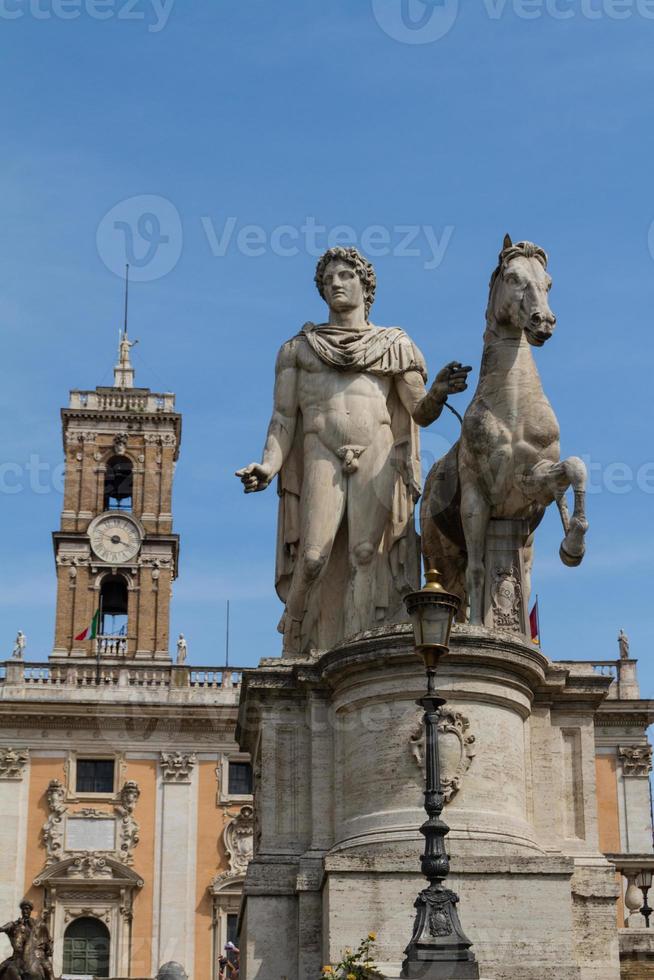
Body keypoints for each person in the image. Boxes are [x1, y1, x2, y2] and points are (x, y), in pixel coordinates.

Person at [237, 246, 470, 656]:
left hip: (377, 450)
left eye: (345, 276)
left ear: (365, 285)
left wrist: (437, 390)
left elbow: (419, 411)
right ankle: (294, 630)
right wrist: (270, 465)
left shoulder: (394, 345)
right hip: (320, 450)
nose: (335, 285)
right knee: (312, 556)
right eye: (328, 281)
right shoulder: (298, 350)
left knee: (367, 553)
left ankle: (354, 651)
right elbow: (283, 420)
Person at [0, 899, 55, 980]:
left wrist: (48, 950)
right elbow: (3, 928)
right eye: (23, 909)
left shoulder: (39, 924)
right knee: (2, 967)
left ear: (30, 910)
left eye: (27, 909)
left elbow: (48, 940)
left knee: (48, 970)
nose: (25, 911)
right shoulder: (16, 924)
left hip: (38, 955)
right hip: (17, 956)